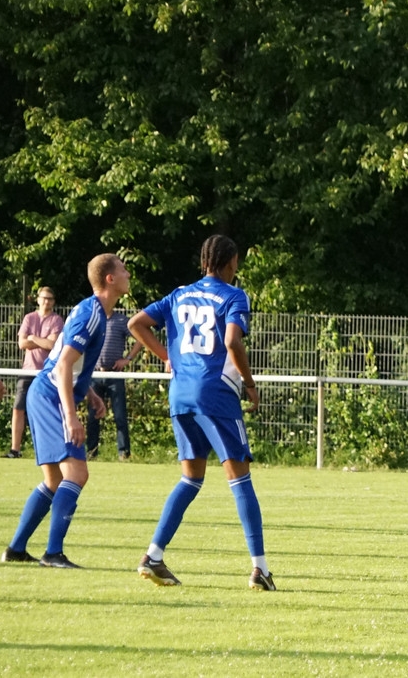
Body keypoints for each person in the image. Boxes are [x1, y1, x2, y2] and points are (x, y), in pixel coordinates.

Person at [128, 234, 275, 591]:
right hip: (215, 393)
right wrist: (250, 384)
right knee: (240, 479)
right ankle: (260, 569)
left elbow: (136, 323)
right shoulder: (234, 295)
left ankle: (153, 556)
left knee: (190, 478)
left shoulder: (179, 294)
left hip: (180, 393)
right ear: (230, 262)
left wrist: (168, 357)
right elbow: (231, 341)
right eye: (236, 262)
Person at [1, 255, 130, 567]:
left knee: (54, 481)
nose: (128, 273)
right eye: (123, 269)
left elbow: (69, 362)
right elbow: (62, 365)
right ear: (110, 279)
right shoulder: (92, 313)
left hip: (46, 393)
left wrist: (89, 394)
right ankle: (53, 553)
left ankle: (16, 549)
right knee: (77, 474)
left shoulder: (95, 312)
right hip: (50, 396)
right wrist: (71, 417)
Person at [9, 287, 64, 458]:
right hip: (28, 370)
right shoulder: (29, 318)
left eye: (50, 298)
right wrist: (42, 341)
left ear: (53, 302)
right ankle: (15, 450)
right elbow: (22, 344)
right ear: (38, 299)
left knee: (48, 412)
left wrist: (32, 338)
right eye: (44, 298)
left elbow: (52, 345)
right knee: (18, 408)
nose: (46, 301)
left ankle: (50, 451)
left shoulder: (57, 320)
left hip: (47, 372)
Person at [86, 311, 143, 461]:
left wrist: (128, 359)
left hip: (115, 374)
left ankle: (124, 453)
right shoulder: (93, 319)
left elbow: (140, 338)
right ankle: (91, 452)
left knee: (120, 416)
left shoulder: (121, 320)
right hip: (95, 374)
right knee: (92, 416)